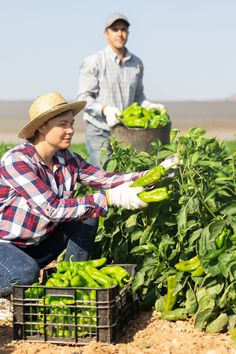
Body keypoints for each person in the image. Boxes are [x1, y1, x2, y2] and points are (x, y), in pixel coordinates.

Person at [0, 91, 153, 298]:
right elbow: (51, 209)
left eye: (72, 124)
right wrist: (108, 198)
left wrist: (155, 173)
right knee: (25, 273)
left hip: (37, 246)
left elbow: (106, 179)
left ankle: (70, 284)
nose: (70, 130)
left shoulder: (67, 159)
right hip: (5, 246)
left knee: (87, 216)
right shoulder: (17, 161)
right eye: (63, 124)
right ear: (42, 127)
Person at [77, 12, 166, 167]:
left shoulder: (136, 63)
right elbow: (83, 99)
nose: (120, 34)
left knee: (127, 176)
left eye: (123, 29)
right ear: (106, 33)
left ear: (128, 33)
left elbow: (138, 97)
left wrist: (149, 106)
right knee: (105, 176)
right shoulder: (94, 62)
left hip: (127, 131)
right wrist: (105, 109)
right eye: (115, 29)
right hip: (100, 130)